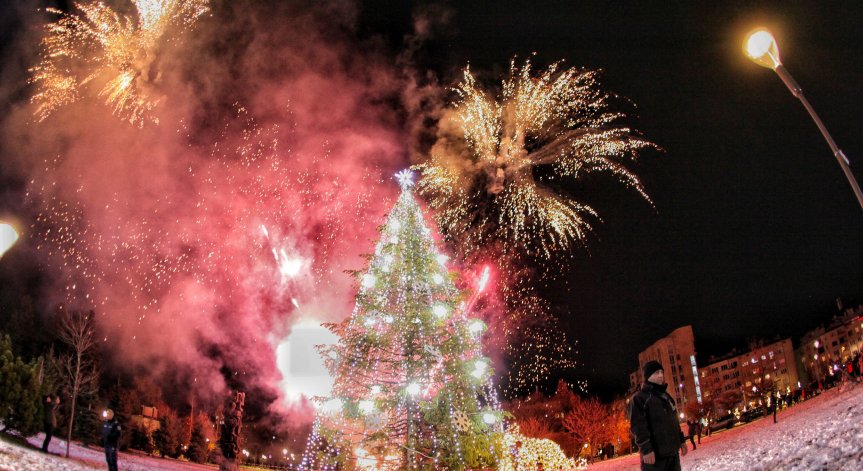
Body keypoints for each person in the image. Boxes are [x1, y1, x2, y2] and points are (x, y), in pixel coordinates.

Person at [629, 361, 688, 470]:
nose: (661, 375)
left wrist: (681, 441)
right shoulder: (640, 398)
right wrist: (646, 449)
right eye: (656, 373)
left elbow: (674, 422)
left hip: (673, 455)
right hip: (655, 459)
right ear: (648, 376)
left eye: (662, 372)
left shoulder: (666, 397)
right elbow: (638, 426)